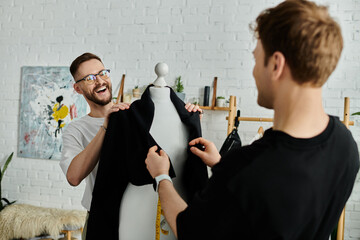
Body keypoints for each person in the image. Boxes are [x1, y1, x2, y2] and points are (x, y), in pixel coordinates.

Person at [145, 0, 360, 239]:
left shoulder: (246, 170)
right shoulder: (345, 145)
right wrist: (220, 165)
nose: (254, 71)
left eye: (256, 59)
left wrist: (161, 177)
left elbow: (188, 230)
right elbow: (284, 198)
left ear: (276, 64)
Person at [59, 52, 203, 239]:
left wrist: (189, 118)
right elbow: (73, 177)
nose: (100, 81)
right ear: (78, 88)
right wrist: (106, 127)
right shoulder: (76, 129)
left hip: (138, 216)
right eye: (90, 78)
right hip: (101, 217)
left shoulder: (134, 116)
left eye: (103, 73)